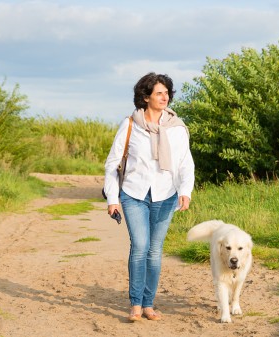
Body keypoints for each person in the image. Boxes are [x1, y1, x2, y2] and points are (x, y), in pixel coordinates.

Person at [104, 72, 194, 322]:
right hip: (134, 194)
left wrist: (185, 191)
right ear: (145, 97)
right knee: (140, 246)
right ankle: (135, 304)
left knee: (155, 251)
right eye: (159, 93)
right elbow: (113, 163)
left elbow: (186, 162)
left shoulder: (176, 128)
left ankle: (148, 303)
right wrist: (112, 198)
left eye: (167, 92)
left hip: (166, 195)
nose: (165, 97)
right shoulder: (130, 125)